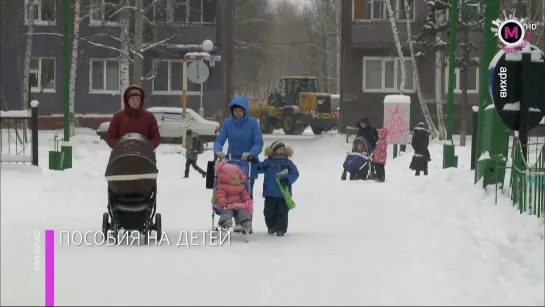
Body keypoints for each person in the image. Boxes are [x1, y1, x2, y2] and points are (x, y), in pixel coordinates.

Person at [213, 96, 264, 233]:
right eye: (235, 110)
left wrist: (251, 153)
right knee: (230, 192)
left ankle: (245, 221)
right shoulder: (228, 123)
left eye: (240, 110)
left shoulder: (253, 123)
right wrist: (218, 151)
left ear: (245, 110)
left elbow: (258, 142)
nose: (238, 113)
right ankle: (231, 217)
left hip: (248, 162)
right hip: (232, 164)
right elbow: (220, 139)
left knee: (246, 191)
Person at [256, 141, 299, 236]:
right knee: (269, 212)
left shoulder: (288, 163)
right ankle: (271, 226)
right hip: (270, 193)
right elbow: (259, 168)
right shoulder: (268, 162)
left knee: (282, 212)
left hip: (283, 194)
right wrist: (255, 162)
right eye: (279, 149)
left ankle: (280, 229)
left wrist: (288, 179)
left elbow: (295, 173)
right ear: (273, 151)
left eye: (283, 149)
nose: (282, 150)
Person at [106, 85, 160, 149]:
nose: (135, 102)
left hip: (144, 154)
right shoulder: (118, 117)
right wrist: (121, 146)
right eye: (132, 99)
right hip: (122, 154)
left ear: (141, 101)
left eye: (138, 99)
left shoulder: (149, 117)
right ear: (127, 100)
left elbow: (155, 137)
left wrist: (146, 146)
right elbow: (110, 137)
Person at [213, 160, 253, 232]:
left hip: (239, 204)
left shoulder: (241, 186)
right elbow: (220, 195)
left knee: (244, 211)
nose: (239, 175)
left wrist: (247, 200)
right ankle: (225, 222)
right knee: (227, 211)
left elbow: (244, 194)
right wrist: (223, 202)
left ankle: (245, 222)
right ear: (229, 176)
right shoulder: (222, 186)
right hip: (227, 204)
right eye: (236, 174)